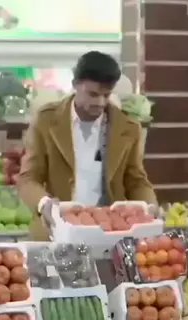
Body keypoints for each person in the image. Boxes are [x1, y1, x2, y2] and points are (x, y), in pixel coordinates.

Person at [17, 51, 156, 241]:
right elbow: (28, 177)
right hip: (58, 232)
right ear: (75, 84)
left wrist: (150, 205)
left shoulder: (128, 128)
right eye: (92, 94)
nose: (100, 103)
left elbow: (136, 181)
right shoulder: (46, 121)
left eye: (106, 95)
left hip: (109, 233)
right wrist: (44, 204)